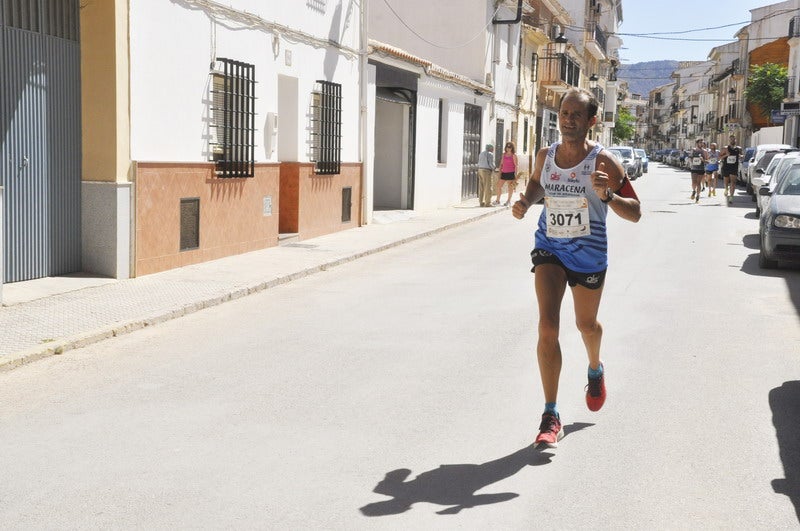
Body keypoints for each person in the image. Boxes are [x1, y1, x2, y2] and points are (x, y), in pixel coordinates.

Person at [511, 88, 641, 448]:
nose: (568, 121)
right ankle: (550, 414)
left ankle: (595, 368)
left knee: (586, 325)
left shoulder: (605, 162)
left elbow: (636, 211)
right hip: (550, 247)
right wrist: (525, 200)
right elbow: (538, 183)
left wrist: (609, 196)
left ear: (591, 121)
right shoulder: (546, 155)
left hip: (588, 255)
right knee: (548, 326)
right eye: (564, 114)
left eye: (576, 115)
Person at [494, 141, 518, 206]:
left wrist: (516, 175)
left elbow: (516, 165)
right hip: (504, 172)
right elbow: (501, 164)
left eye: (510, 147)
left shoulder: (514, 155)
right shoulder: (504, 154)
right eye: (507, 147)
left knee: (510, 188)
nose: (508, 148)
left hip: (511, 173)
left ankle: (508, 201)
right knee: (499, 186)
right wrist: (499, 171)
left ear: (512, 148)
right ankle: (497, 200)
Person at [719, 135, 741, 204]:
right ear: (729, 140)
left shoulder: (739, 148)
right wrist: (726, 155)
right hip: (726, 166)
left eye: (734, 139)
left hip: (734, 167)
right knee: (726, 181)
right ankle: (726, 189)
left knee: (733, 182)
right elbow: (719, 157)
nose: (732, 141)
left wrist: (741, 156)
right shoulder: (725, 148)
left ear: (735, 140)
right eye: (731, 139)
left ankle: (731, 197)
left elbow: (741, 155)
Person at [689, 139, 708, 203]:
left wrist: (703, 160)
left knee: (698, 183)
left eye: (702, 143)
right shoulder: (693, 150)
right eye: (700, 143)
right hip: (694, 168)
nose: (702, 144)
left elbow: (707, 161)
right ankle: (694, 191)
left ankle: (698, 195)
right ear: (697, 143)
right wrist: (692, 160)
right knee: (694, 182)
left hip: (701, 168)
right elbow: (690, 158)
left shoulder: (705, 151)